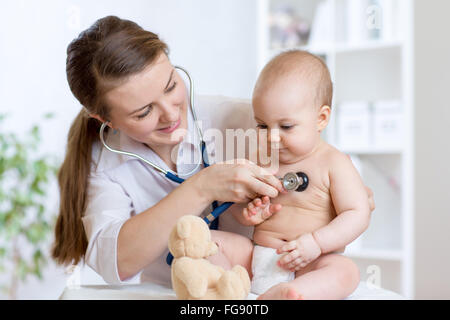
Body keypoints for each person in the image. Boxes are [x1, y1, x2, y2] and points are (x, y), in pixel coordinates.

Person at [51, 15, 375, 291]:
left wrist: (335, 211)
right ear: (105, 120)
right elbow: (116, 262)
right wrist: (202, 187)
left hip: (277, 266)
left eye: (170, 86)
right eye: (144, 111)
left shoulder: (249, 121)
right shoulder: (105, 162)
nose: (169, 114)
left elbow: (317, 177)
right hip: (181, 294)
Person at [232, 50, 371, 300]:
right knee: (215, 242)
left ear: (321, 118)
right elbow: (233, 203)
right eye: (263, 125)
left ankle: (294, 294)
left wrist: (316, 243)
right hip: (260, 256)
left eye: (286, 126)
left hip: (311, 261)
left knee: (345, 271)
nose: (272, 137)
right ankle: (220, 285)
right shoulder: (259, 158)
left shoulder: (334, 163)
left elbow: (357, 213)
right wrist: (246, 213)